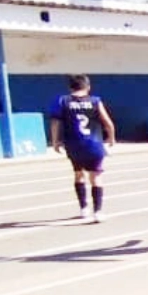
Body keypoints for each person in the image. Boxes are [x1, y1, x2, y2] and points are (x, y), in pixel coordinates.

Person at [49, 74, 116, 222]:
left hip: (73, 144)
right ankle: (98, 211)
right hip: (94, 144)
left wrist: (55, 141)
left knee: (78, 174)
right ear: (88, 87)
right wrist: (111, 137)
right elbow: (107, 122)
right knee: (96, 177)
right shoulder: (95, 101)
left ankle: (84, 208)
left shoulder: (62, 101)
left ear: (70, 87)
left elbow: (55, 122)